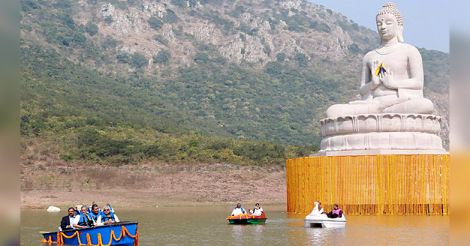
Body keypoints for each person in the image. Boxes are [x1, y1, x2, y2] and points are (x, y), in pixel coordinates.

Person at [325, 3, 434, 119]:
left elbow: (418, 83)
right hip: (374, 103)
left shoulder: (410, 51)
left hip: (399, 101)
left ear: (399, 26)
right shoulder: (370, 56)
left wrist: (392, 83)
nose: (383, 27)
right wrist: (373, 84)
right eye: (379, 24)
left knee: (425, 105)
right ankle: (386, 115)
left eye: (388, 23)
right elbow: (362, 90)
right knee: (332, 111)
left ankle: (387, 113)